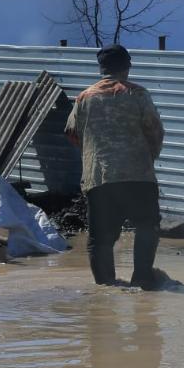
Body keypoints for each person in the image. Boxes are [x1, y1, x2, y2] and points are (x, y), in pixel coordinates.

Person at [65, 44, 165, 289]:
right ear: (127, 68)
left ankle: (106, 288)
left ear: (101, 69)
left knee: (100, 238)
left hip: (99, 179)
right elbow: (155, 131)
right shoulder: (139, 94)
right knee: (146, 228)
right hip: (138, 177)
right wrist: (148, 157)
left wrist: (93, 155)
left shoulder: (84, 97)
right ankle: (142, 280)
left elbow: (71, 132)